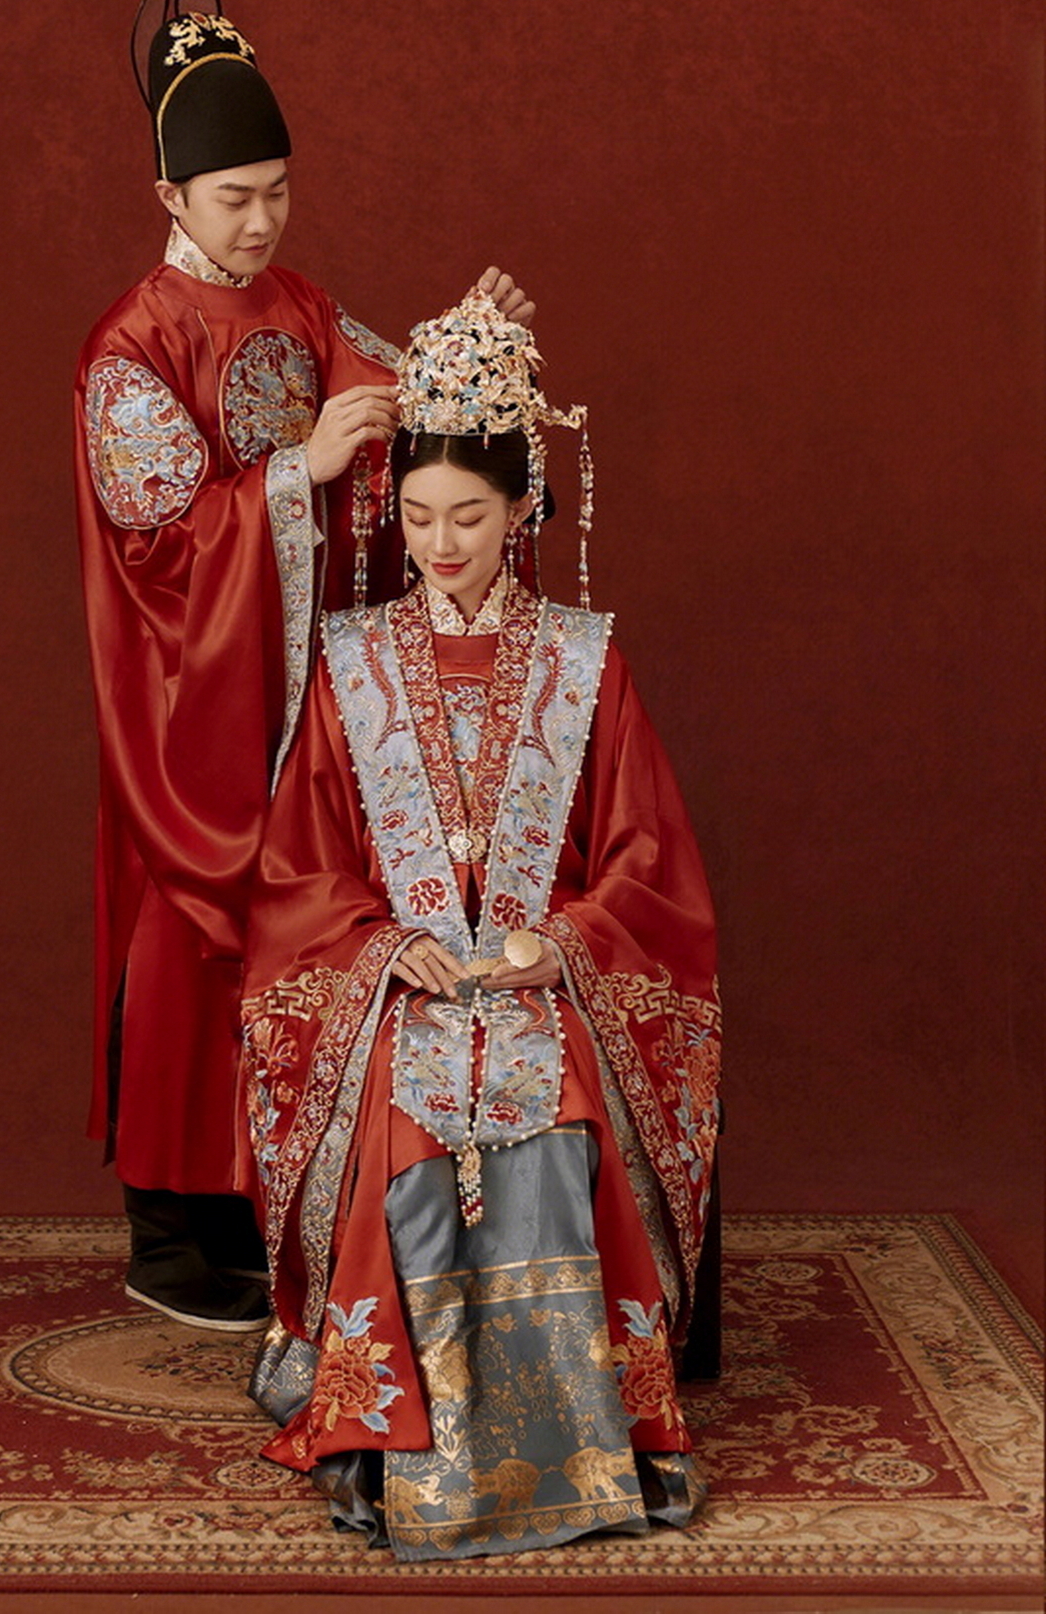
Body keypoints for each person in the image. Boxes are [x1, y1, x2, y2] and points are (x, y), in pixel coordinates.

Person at [74, 0, 533, 1332]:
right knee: (182, 941)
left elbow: (401, 401)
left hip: (295, 695)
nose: (261, 220)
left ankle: (263, 1202)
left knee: (294, 928)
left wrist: (466, 340)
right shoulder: (128, 347)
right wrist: (294, 475)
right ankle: (169, 1233)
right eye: (233, 198)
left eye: (277, 191)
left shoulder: (300, 303)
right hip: (191, 707)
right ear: (169, 195)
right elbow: (158, 546)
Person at [238, 290, 722, 1558]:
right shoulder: (350, 660)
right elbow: (298, 869)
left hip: (538, 980)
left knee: (551, 1129)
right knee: (406, 1135)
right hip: (395, 990)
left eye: (466, 515)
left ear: (521, 509)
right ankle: (390, 1444)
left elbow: (648, 863)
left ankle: (592, 1442)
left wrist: (561, 945)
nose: (438, 543)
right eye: (415, 515)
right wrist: (379, 946)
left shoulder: (583, 660)